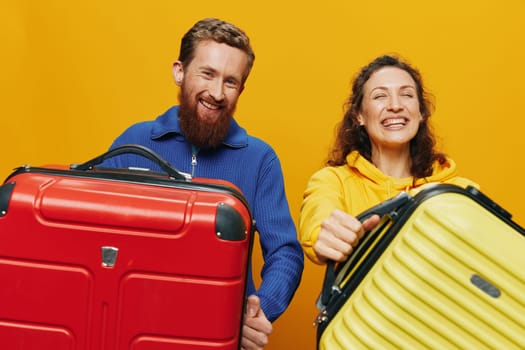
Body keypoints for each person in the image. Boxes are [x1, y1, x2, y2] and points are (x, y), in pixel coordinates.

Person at [101, 18, 304, 349]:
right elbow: (92, 234)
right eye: (207, 74)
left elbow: (285, 251)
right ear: (179, 72)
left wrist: (259, 313)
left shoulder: (260, 159)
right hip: (134, 330)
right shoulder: (133, 142)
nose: (217, 93)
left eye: (231, 81)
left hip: (221, 335)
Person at [299, 54, 478, 265]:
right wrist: (328, 234)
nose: (395, 105)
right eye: (380, 96)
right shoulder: (332, 181)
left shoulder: (457, 191)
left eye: (407, 95)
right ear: (359, 115)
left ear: (421, 112)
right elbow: (319, 218)